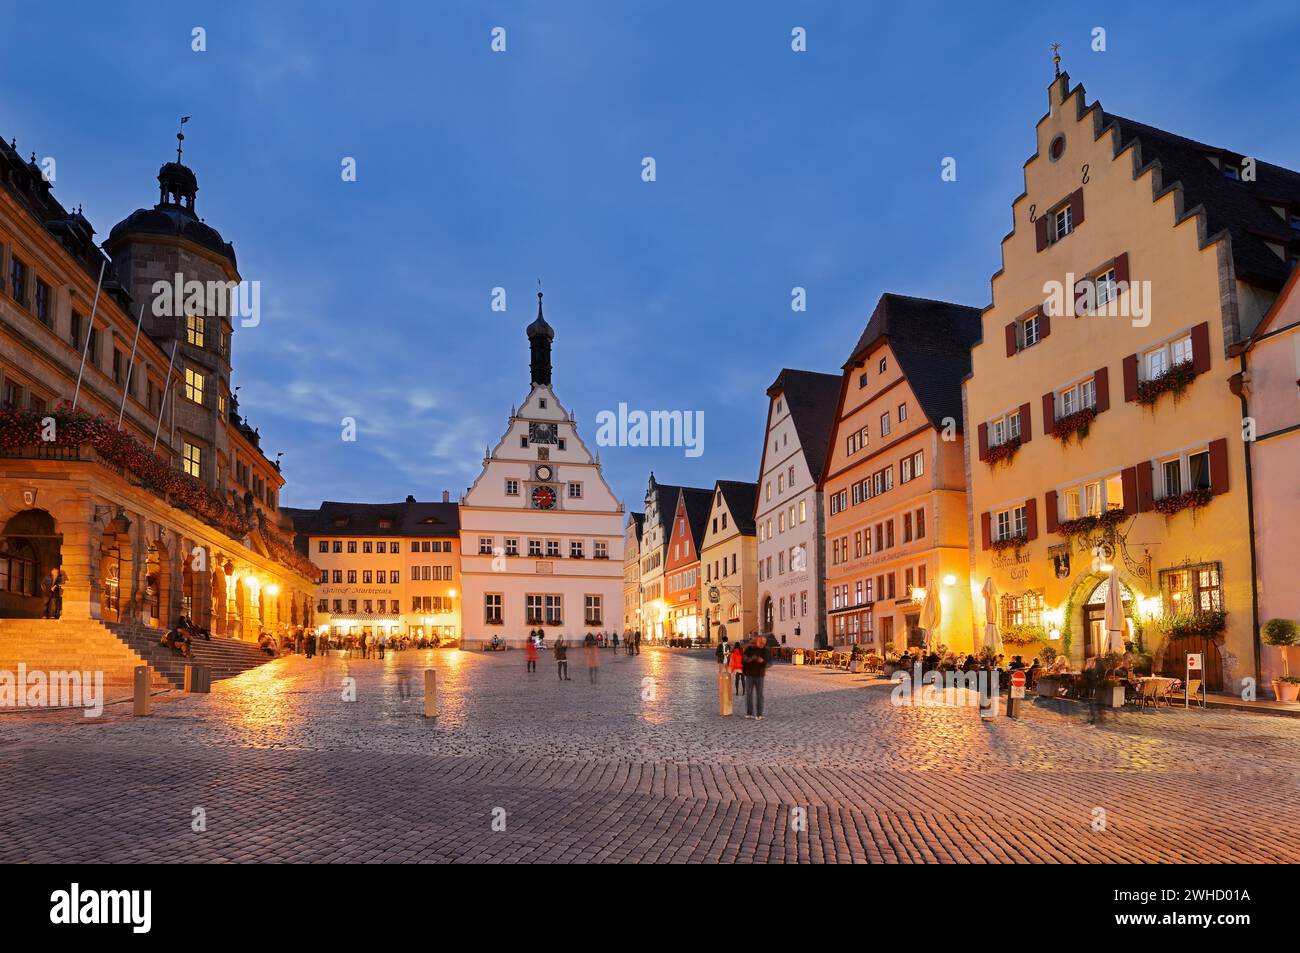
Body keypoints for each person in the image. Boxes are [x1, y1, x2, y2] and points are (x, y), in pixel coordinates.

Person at [743, 633, 771, 719]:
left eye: (764, 642)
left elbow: (769, 663)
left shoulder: (766, 650)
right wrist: (752, 659)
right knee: (749, 695)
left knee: (759, 695)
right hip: (749, 675)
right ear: (756, 641)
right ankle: (749, 713)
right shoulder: (749, 649)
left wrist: (762, 661)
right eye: (761, 642)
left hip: (760, 675)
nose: (762, 644)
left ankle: (759, 714)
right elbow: (744, 659)